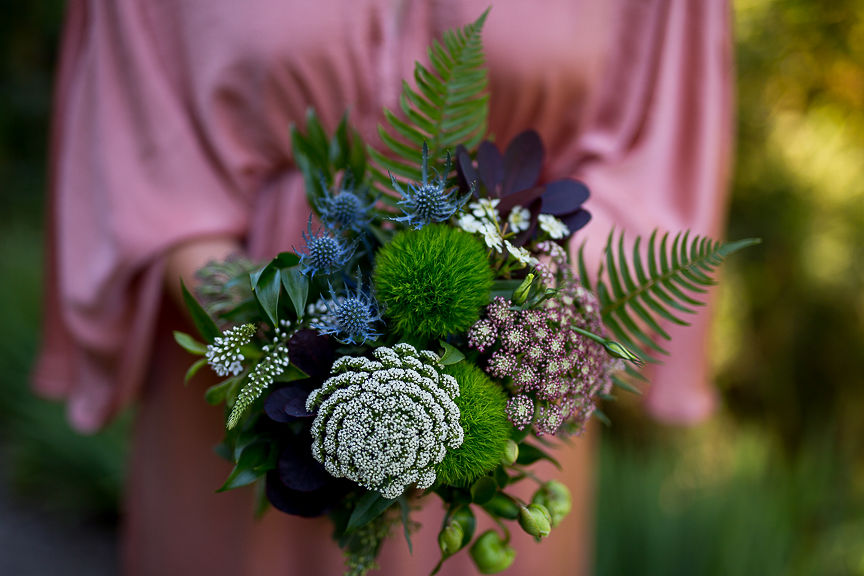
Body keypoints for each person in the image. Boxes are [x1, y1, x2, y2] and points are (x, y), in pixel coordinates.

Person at [35, 1, 733, 574]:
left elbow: (657, 149)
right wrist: (280, 341)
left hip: (512, 375)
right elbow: (140, 133)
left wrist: (500, 330)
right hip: (251, 364)